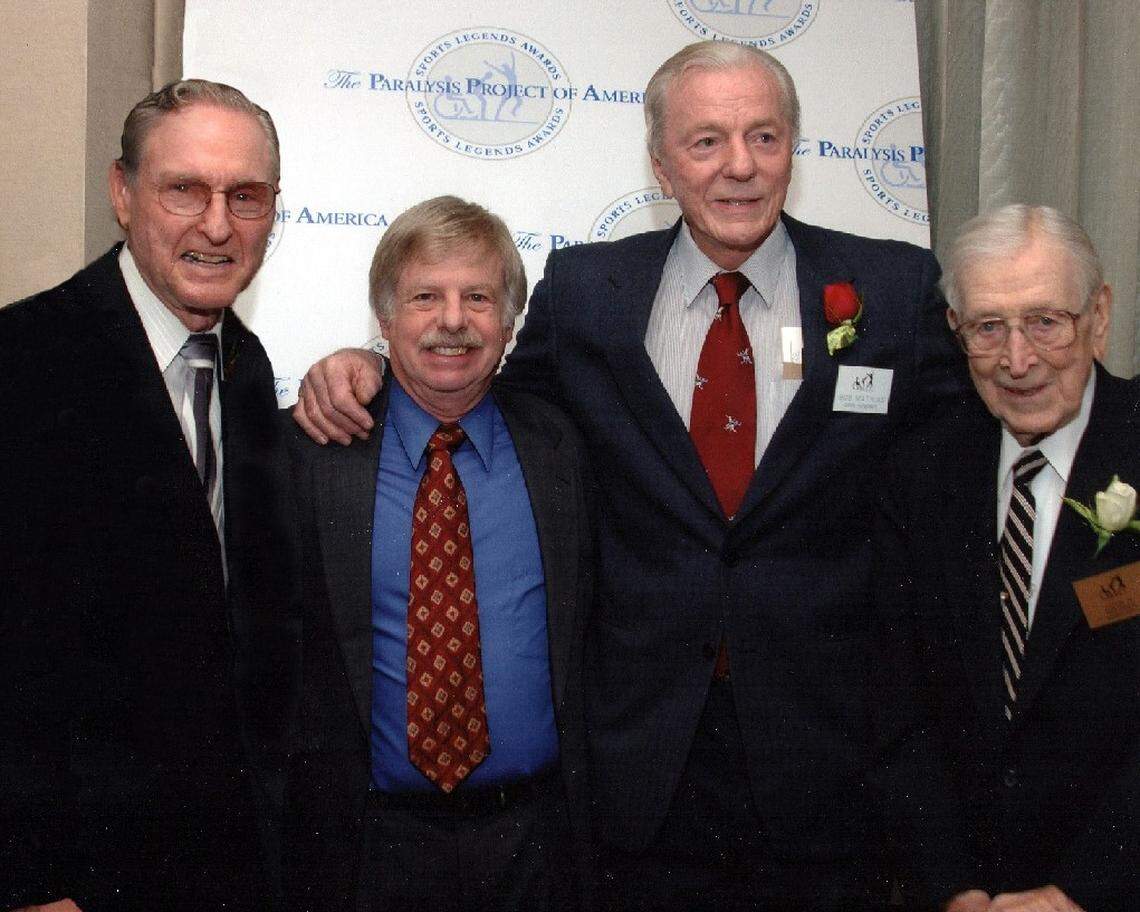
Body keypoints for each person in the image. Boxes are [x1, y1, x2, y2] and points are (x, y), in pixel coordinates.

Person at [293, 41, 965, 909]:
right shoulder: (587, 291)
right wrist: (367, 364)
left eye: (764, 137)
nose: (739, 166)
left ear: (794, 148)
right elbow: (474, 389)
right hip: (642, 767)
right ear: (660, 163)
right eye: (706, 141)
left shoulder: (889, 286)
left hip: (829, 760)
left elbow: (966, 460)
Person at [0, 80, 298, 912]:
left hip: (223, 869)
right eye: (184, 189)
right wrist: (27, 879)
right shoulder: (22, 362)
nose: (216, 225)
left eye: (246, 196)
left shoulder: (247, 369)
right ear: (122, 193)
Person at [285, 196, 595, 912]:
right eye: (426, 296)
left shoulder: (566, 450)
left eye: (478, 297)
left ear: (511, 323)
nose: (453, 320)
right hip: (365, 849)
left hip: (537, 846)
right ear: (385, 320)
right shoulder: (308, 453)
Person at [873, 204, 1139, 912]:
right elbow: (900, 707)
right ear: (957, 333)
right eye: (989, 327)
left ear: (1100, 316)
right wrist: (956, 888)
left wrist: (1076, 894)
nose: (1017, 360)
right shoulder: (920, 473)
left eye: (1046, 322)